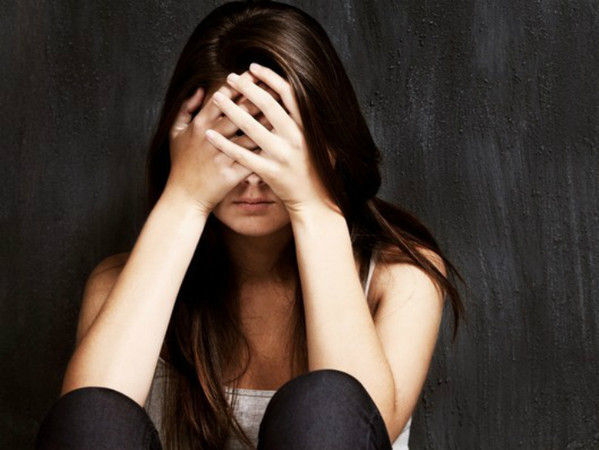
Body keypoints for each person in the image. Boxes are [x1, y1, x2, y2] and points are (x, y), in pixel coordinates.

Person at [35, 1, 466, 448]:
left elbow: (355, 430)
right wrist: (183, 199)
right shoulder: (114, 284)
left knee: (325, 407)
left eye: (272, 143)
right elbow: (85, 431)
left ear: (329, 144)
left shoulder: (399, 280)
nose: (253, 177)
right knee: (93, 416)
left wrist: (313, 205)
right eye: (232, 141)